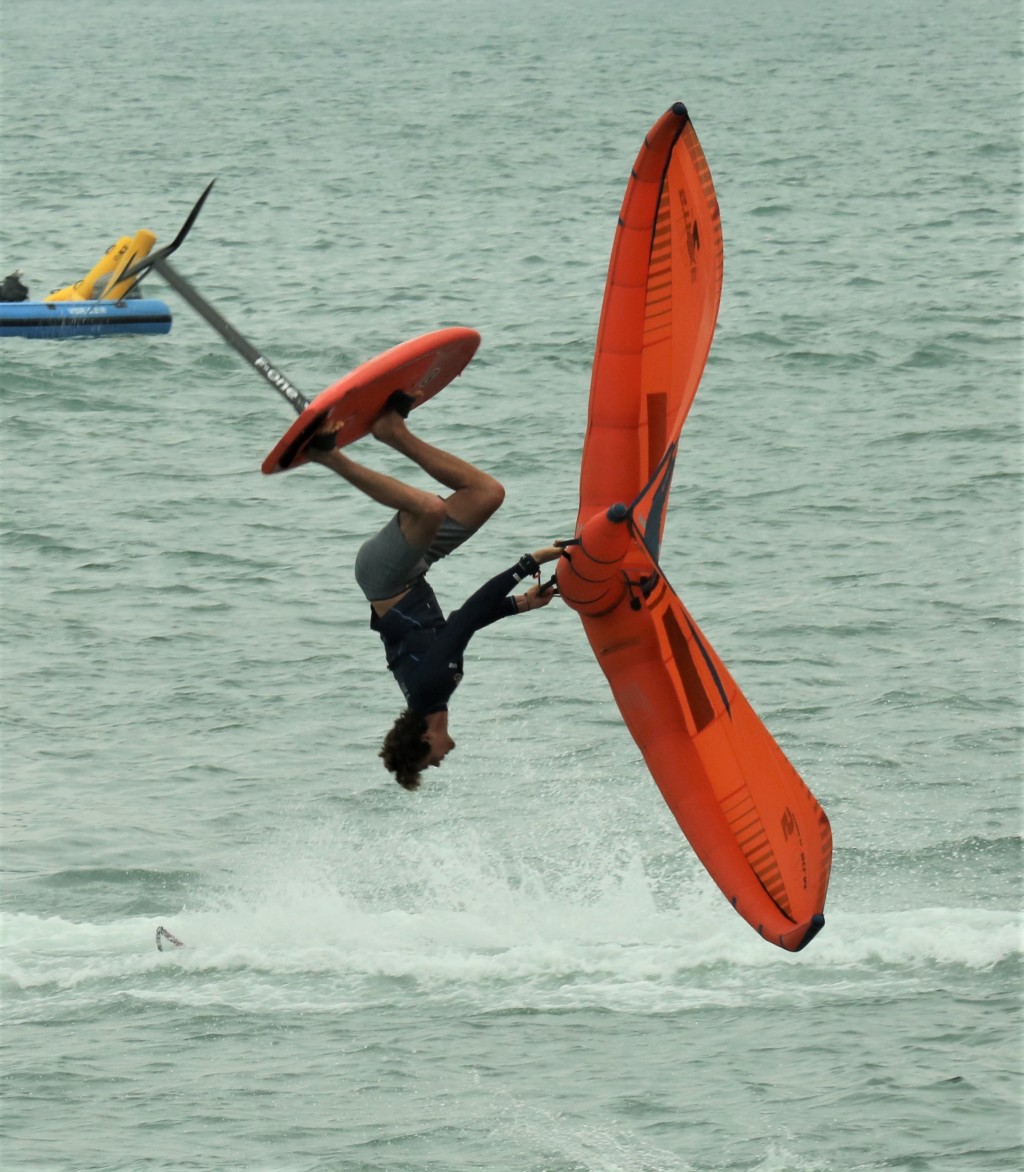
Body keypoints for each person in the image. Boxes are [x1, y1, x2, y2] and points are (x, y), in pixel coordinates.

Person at [309, 397, 562, 791]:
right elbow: (463, 624)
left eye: (429, 763)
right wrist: (523, 603)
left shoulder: (431, 688)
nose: (440, 763)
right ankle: (391, 430)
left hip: (385, 577)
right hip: (415, 568)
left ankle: (327, 457)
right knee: (487, 493)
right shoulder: (436, 692)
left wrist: (526, 563)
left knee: (429, 509)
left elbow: (465, 618)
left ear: (424, 742)